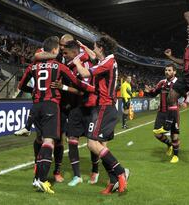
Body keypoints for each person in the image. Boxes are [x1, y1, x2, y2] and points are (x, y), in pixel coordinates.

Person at [18, 36, 95, 194]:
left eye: (64, 48)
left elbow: (22, 83)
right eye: (60, 47)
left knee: (54, 140)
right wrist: (87, 89)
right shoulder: (58, 62)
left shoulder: (37, 64)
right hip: (53, 106)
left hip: (49, 105)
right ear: (56, 49)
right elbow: (76, 81)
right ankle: (40, 176)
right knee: (49, 140)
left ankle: (52, 173)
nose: (62, 50)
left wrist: (33, 91)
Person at [73, 35, 129, 195]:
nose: (94, 49)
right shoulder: (108, 60)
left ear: (101, 48)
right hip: (108, 106)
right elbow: (94, 56)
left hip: (104, 107)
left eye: (95, 46)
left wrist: (77, 62)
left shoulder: (107, 62)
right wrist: (85, 47)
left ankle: (120, 171)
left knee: (92, 144)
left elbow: (84, 73)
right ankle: (113, 181)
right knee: (102, 146)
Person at [50, 40, 100, 187]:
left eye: (66, 53)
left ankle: (95, 170)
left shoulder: (83, 65)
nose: (64, 56)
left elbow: (84, 89)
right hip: (75, 109)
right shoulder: (70, 66)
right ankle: (77, 175)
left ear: (74, 52)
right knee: (72, 140)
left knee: (92, 142)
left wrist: (63, 87)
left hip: (89, 108)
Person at [144, 63, 180, 163]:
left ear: (174, 72)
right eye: (166, 70)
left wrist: (184, 101)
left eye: (169, 70)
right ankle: (169, 145)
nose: (167, 72)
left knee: (174, 135)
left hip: (173, 112)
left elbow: (185, 94)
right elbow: (154, 93)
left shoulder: (178, 83)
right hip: (162, 112)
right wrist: (148, 91)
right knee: (157, 133)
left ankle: (176, 156)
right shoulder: (162, 83)